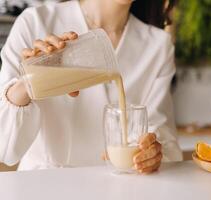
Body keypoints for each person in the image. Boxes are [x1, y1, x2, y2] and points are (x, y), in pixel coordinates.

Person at [0, 0, 182, 173]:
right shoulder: (35, 22)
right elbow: (5, 150)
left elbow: (166, 144)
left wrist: (152, 155)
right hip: (41, 187)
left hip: (116, 189)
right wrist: (29, 82)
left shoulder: (158, 45)